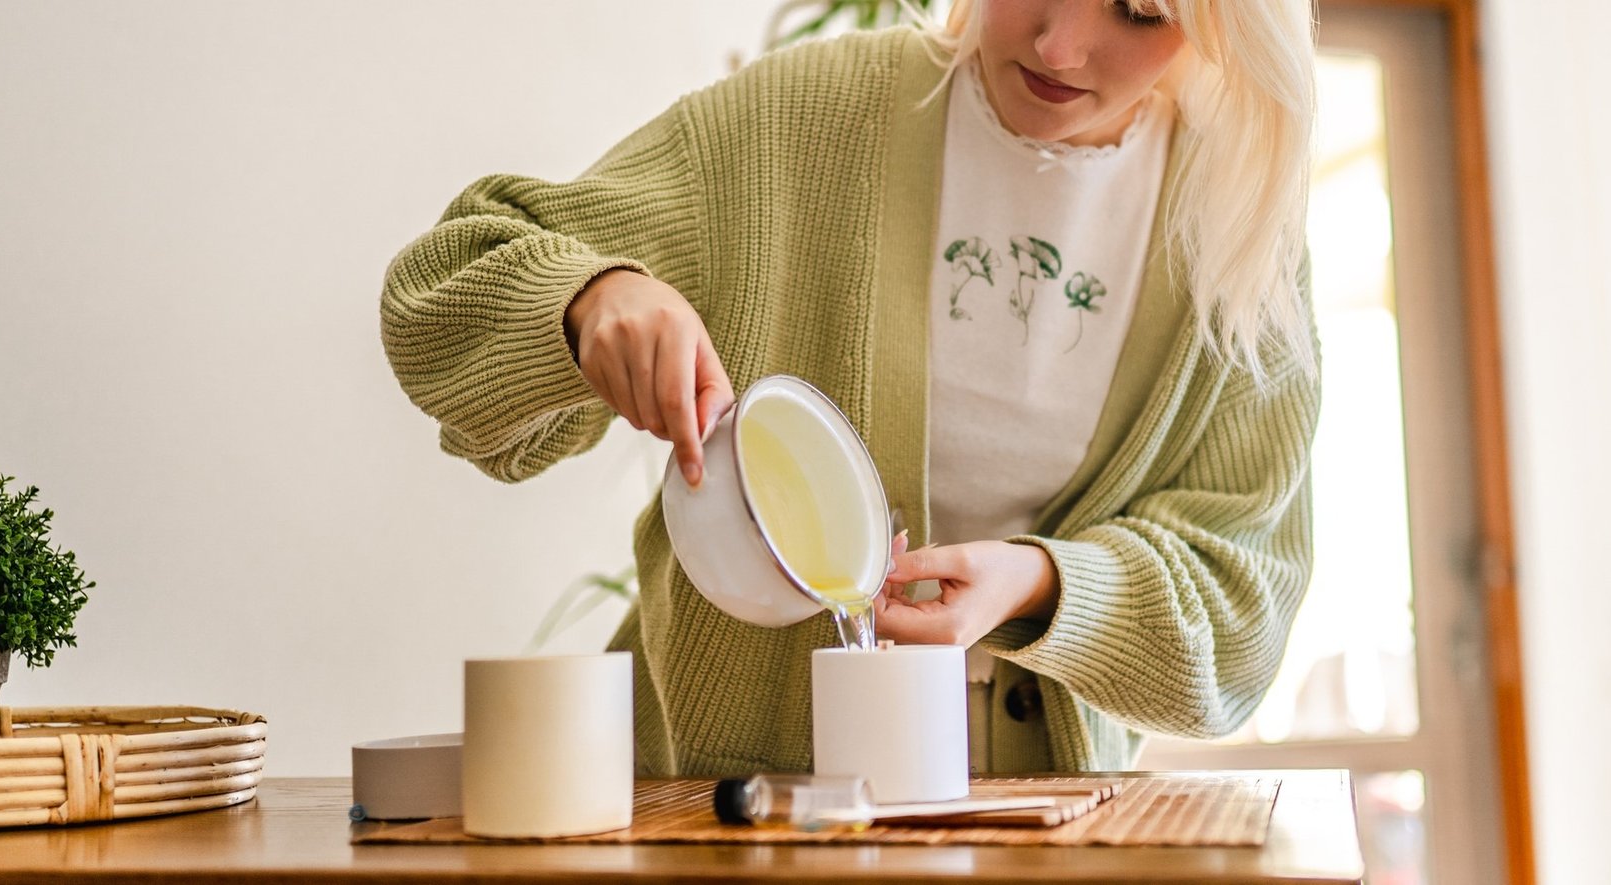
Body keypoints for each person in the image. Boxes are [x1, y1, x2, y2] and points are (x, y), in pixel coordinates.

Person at [381, 0, 1320, 777]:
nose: (1059, 44)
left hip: (1046, 831)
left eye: (1141, 8)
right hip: (710, 819)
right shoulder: (801, 124)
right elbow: (438, 294)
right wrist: (589, 301)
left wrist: (1038, 584)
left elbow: (1243, 612)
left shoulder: (1236, 233)